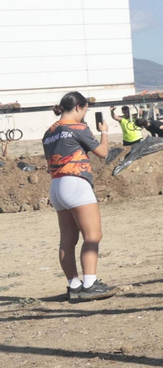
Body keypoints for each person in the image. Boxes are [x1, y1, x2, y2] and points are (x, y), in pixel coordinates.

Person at [43, 92, 116, 301]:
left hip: (56, 185)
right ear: (78, 107)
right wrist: (104, 133)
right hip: (75, 183)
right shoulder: (78, 128)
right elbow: (102, 152)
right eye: (85, 109)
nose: (84, 114)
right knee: (93, 236)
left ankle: (73, 285)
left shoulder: (49, 132)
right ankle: (90, 283)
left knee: (67, 240)